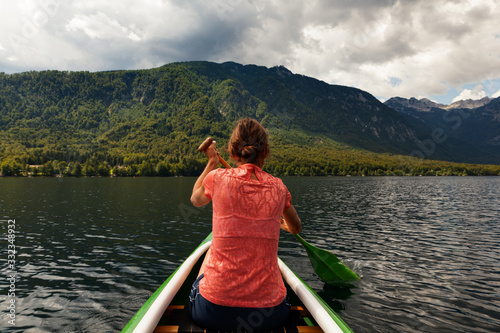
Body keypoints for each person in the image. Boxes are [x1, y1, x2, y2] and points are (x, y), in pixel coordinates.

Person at [189, 117, 302, 331]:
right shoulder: (279, 188)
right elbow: (296, 228)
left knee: (210, 249)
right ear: (266, 151)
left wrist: (212, 162)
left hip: (212, 311)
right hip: (269, 315)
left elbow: (195, 200)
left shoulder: (217, 178)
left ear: (233, 152)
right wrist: (278, 223)